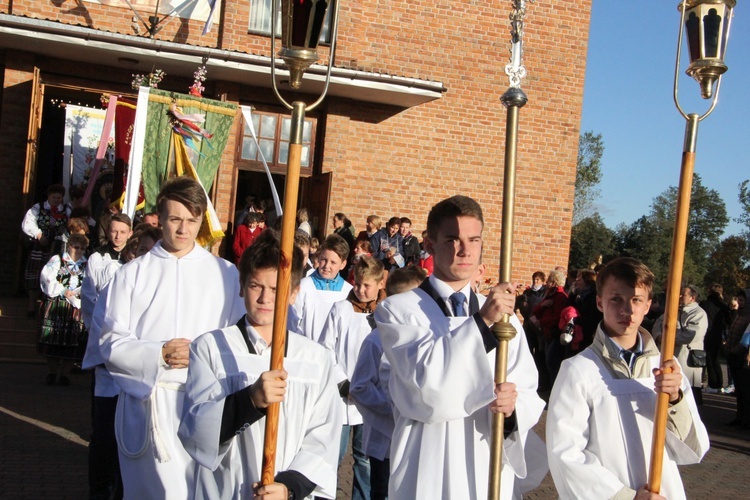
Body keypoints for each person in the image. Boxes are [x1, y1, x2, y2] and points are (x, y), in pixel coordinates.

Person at [374, 195, 545, 499]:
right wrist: (481, 322)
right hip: (427, 464)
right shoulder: (399, 311)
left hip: (487, 462)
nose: (465, 250)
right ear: (429, 243)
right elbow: (427, 390)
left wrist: (512, 409)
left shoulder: (504, 318)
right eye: (452, 239)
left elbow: (528, 387)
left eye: (474, 239)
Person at [99, 177, 245, 499]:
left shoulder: (225, 274)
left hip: (205, 403)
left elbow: (238, 337)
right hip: (150, 404)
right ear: (159, 217)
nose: (183, 229)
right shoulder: (132, 274)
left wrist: (203, 353)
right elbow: (110, 341)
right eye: (175, 218)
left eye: (192, 220)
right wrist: (158, 353)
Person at [178, 229, 342, 499]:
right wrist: (250, 400)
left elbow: (324, 435)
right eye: (256, 286)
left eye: (277, 289)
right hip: (227, 489)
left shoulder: (316, 359)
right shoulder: (211, 348)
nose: (265, 299)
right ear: (241, 286)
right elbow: (196, 428)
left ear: (293, 293)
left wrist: (289, 487)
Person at [546, 257, 709, 500]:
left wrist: (675, 400)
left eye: (636, 300)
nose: (628, 310)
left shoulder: (667, 368)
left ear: (648, 305)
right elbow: (565, 452)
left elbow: (691, 450)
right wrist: (625, 496)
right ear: (600, 302)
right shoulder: (579, 370)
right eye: (616, 299)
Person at [349, 265, 426, 500]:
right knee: (383, 493)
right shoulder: (376, 340)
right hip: (386, 439)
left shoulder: (426, 337)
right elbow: (360, 386)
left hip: (417, 439)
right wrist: (393, 409)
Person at [319, 256, 387, 500]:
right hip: (342, 395)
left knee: (364, 459)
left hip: (372, 399)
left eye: (366, 285)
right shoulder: (341, 309)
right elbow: (325, 349)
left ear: (381, 283)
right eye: (357, 283)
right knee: (333, 455)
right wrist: (342, 383)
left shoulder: (387, 314)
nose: (359, 289)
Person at [38, 233, 89, 386]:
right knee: (53, 340)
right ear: (69, 246)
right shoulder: (57, 260)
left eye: (81, 248)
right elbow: (46, 277)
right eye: (75, 247)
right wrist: (62, 290)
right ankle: (52, 372)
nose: (78, 251)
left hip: (76, 307)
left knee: (73, 342)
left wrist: (80, 292)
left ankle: (65, 374)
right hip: (58, 304)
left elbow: (91, 283)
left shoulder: (87, 265)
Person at [288, 234, 352, 343]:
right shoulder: (304, 287)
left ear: (343, 264)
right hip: (306, 350)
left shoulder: (348, 292)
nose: (326, 266)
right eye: (323, 260)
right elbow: (292, 321)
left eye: (333, 262)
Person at [652, 285, 709, 406]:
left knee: (690, 392)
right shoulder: (674, 310)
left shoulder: (699, 314)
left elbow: (691, 335)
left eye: (683, 294)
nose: (679, 296)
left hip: (687, 359)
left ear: (692, 298)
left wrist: (668, 338)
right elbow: (658, 323)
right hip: (670, 355)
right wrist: (658, 336)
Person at [22, 184, 70, 316]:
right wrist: (38, 234)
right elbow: (28, 222)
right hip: (40, 245)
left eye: (59, 198)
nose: (56, 200)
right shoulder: (38, 208)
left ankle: (47, 309)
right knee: (35, 274)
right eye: (54, 197)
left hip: (57, 247)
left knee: (53, 275)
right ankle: (32, 306)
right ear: (49, 196)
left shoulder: (66, 209)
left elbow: (72, 223)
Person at [700, 283, 732, 393]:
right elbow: (728, 321)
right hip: (718, 335)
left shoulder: (704, 304)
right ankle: (719, 384)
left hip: (707, 334)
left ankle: (713, 384)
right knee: (716, 360)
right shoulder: (723, 306)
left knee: (709, 359)